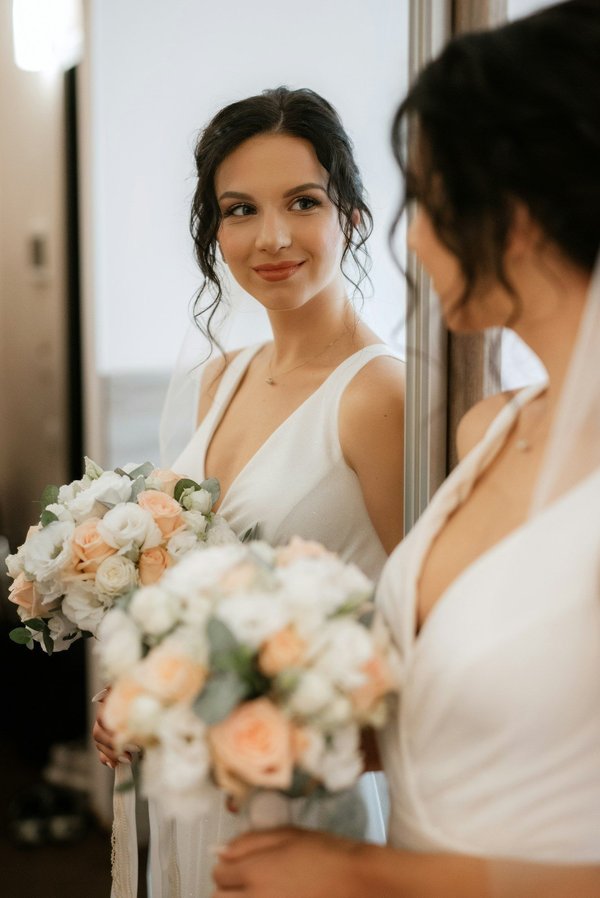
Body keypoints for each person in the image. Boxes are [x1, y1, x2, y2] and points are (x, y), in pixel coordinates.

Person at [211, 2, 600, 895]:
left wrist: (365, 874)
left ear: (527, 205)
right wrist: (297, 728)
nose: (410, 237)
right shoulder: (494, 428)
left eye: (429, 196)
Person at [92, 87, 405, 895]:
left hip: (304, 789)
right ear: (214, 232)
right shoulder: (220, 380)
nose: (271, 237)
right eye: (239, 209)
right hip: (198, 780)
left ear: (354, 217)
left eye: (303, 202)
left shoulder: (379, 396)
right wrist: (147, 691)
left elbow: (424, 628)